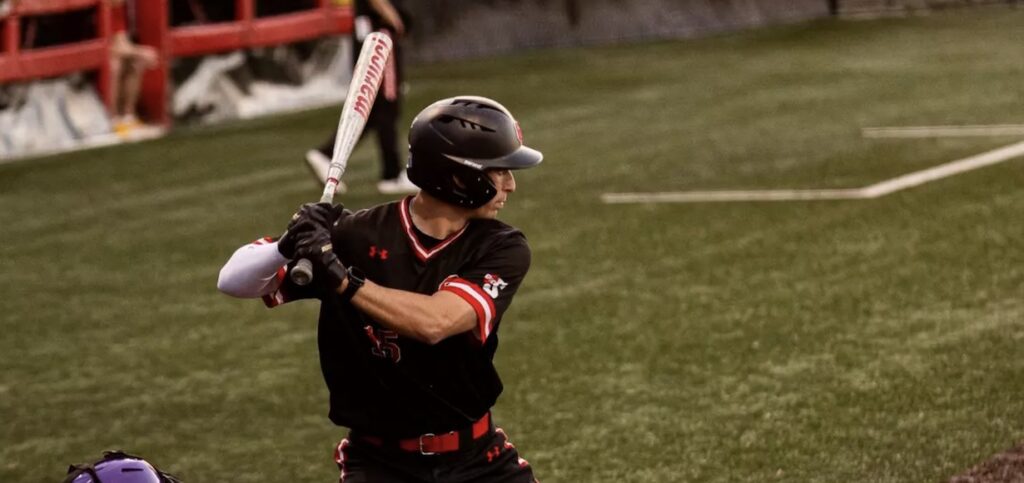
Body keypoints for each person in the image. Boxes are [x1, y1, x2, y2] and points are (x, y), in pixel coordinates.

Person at [219, 96, 542, 482]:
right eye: (499, 171)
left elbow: (435, 322)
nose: (511, 184)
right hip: (379, 466)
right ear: (460, 177)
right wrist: (285, 245)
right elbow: (233, 281)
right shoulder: (354, 235)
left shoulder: (501, 247)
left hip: (478, 460)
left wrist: (342, 279)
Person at [305, 0, 416, 194]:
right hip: (380, 32)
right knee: (387, 104)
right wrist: (392, 15)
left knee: (373, 110)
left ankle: (327, 154)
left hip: (369, 31)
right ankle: (391, 175)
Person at [109, 0, 158, 136]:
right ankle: (111, 119)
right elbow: (115, 47)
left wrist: (139, 53)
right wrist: (141, 52)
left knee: (135, 62)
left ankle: (128, 117)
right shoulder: (105, 7)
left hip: (111, 51)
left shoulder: (119, 9)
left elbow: (121, 41)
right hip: (93, 53)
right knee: (115, 64)